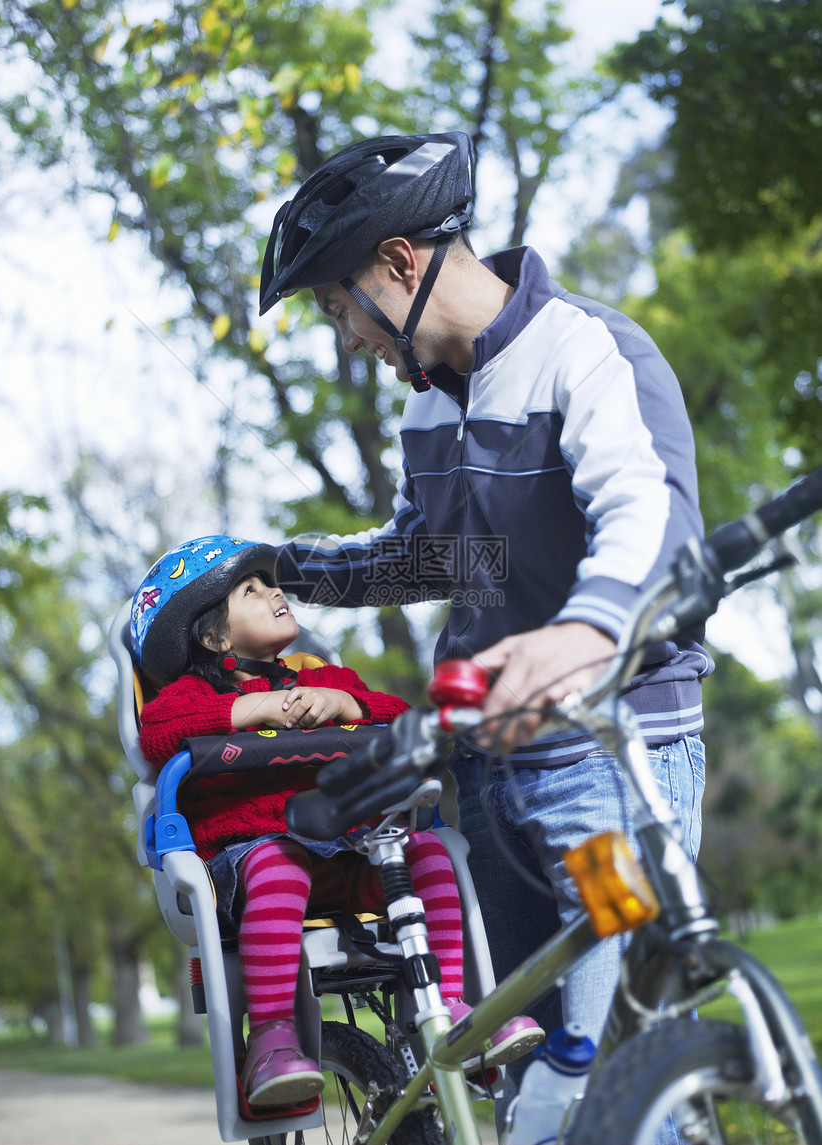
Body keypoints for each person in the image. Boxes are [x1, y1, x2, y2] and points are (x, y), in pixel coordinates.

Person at [259, 132, 711, 1054]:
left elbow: (652, 521)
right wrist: (273, 567)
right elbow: (434, 561)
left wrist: (583, 631)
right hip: (491, 772)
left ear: (398, 262)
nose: (347, 335)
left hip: (608, 759)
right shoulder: (430, 400)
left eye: (340, 307)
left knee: (616, 1058)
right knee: (536, 1071)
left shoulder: (586, 352)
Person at [130, 534, 542, 1110]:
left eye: (272, 582)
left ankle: (449, 1010)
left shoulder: (327, 680)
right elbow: (161, 736)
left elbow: (402, 723)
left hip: (354, 853)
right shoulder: (189, 695)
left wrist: (352, 708)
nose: (276, 592)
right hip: (255, 866)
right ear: (214, 635)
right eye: (250, 590)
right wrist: (255, 710)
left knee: (428, 853)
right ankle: (272, 1037)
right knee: (279, 863)